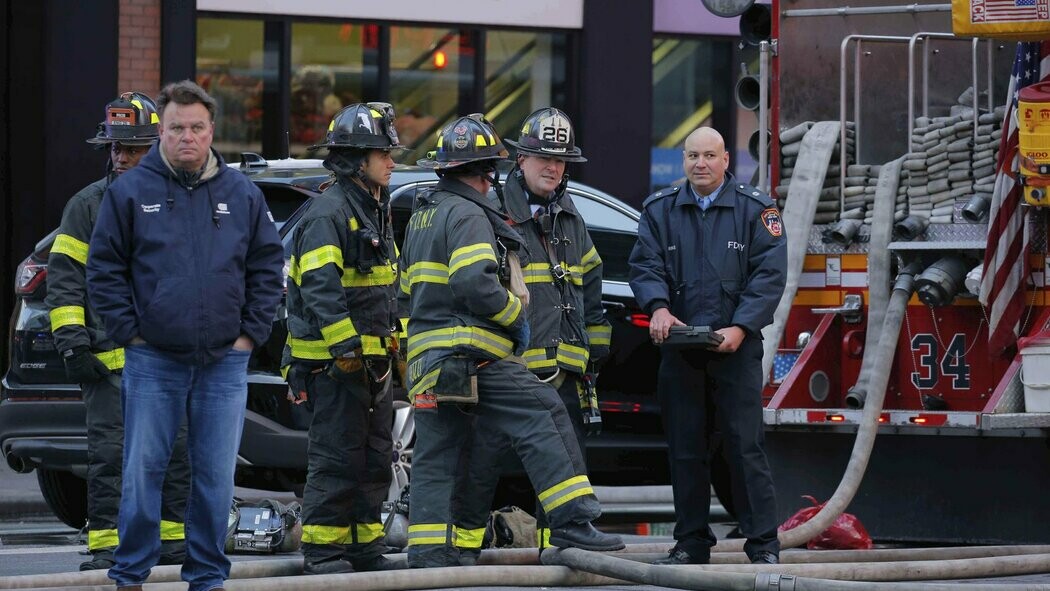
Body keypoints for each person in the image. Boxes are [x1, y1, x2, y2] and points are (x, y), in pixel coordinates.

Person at [399, 113, 624, 568]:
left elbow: (404, 294)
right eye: (489, 172)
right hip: (472, 355)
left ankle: (432, 553)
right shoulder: (469, 213)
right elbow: (474, 283)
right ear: (483, 171)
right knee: (544, 411)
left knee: (439, 456)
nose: (491, 182)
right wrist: (515, 319)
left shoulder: (423, 214)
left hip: (427, 361)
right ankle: (572, 520)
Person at [86, 80, 285, 591]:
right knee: (143, 471)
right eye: (176, 128)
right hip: (153, 360)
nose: (187, 137)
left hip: (224, 363)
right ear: (162, 133)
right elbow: (103, 271)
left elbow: (268, 267)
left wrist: (250, 335)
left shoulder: (241, 193)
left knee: (215, 477)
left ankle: (207, 576)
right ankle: (130, 573)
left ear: (212, 130)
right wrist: (130, 334)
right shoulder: (130, 192)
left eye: (197, 127)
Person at [452, 108, 612, 553]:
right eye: (544, 158)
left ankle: (558, 554)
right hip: (505, 370)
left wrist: (591, 357)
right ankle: (461, 550)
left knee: (564, 470)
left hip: (565, 373)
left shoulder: (571, 217)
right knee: (480, 464)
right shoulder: (492, 211)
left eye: (561, 160)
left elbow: (591, 292)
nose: (553, 168)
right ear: (520, 159)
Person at [627, 127, 786, 566]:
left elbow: (769, 276)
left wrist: (741, 327)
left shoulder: (756, 210)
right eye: (693, 155)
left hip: (736, 349)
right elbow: (645, 266)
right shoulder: (660, 210)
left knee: (744, 447)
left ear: (726, 160)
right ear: (683, 160)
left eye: (710, 156)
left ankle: (763, 547)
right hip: (680, 351)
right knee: (686, 450)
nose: (701, 163)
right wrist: (658, 308)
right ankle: (691, 544)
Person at [46, 92, 190, 571]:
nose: (121, 157)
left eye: (132, 148)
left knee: (175, 452)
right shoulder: (88, 207)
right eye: (115, 148)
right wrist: (73, 344)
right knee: (111, 456)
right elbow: (65, 281)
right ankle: (109, 544)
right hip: (108, 364)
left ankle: (172, 542)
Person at [282, 103, 405, 575]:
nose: (391, 161)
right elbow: (320, 287)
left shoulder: (374, 207)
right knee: (336, 458)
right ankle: (322, 551)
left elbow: (385, 287)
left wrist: (394, 347)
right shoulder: (329, 212)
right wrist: (345, 349)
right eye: (383, 153)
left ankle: (363, 544)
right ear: (357, 160)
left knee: (375, 459)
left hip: (371, 363)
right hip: (334, 365)